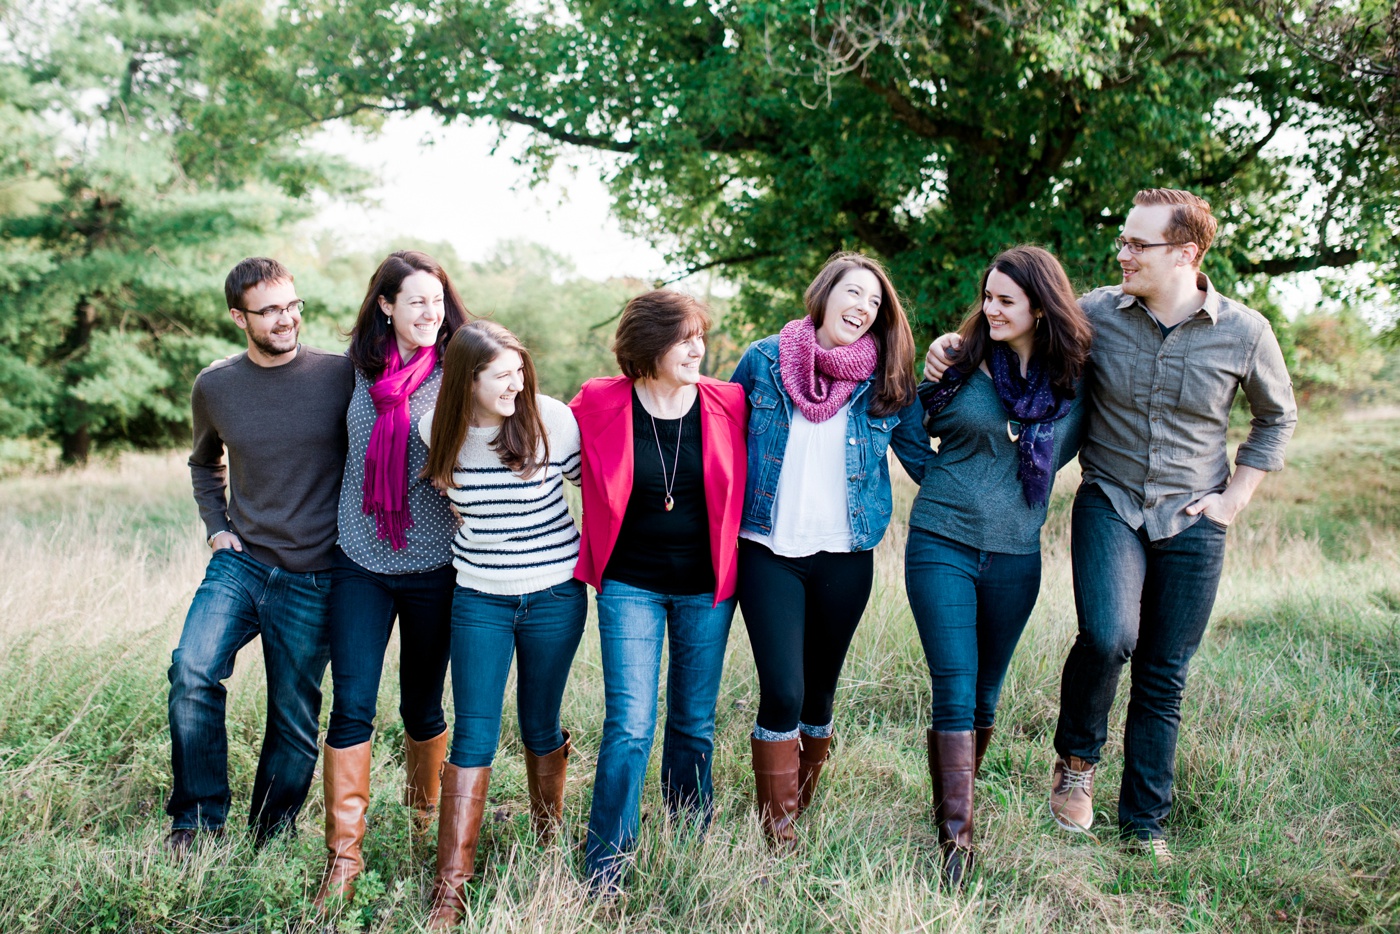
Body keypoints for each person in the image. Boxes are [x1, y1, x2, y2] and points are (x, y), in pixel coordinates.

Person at [925, 190, 1297, 862]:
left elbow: (1277, 418)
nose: (1121, 253)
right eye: (1122, 241)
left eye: (1137, 245)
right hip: (1112, 501)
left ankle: (1144, 824)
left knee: (1165, 670)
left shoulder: (1245, 332)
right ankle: (1076, 762)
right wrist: (953, 343)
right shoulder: (1097, 313)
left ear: (1185, 253)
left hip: (1194, 514)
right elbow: (1018, 326)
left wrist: (1234, 499)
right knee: (1107, 635)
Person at [905, 246, 1091, 886]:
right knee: (954, 684)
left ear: (1041, 307)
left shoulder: (1071, 379)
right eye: (987, 297)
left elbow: (1086, 440)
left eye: (1006, 300)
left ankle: (958, 798)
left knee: (987, 692)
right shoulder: (960, 358)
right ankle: (955, 845)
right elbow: (907, 411)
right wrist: (939, 481)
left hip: (1016, 554)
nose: (991, 309)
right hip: (941, 542)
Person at [729, 251, 928, 848]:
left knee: (820, 690)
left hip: (846, 557)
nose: (864, 308)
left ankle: (800, 798)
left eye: (875, 302)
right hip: (768, 550)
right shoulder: (764, 361)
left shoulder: (886, 380)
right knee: (783, 689)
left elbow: (924, 462)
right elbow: (718, 438)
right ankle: (779, 827)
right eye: (855, 293)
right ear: (825, 292)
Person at [167, 257, 353, 852]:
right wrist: (216, 526)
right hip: (241, 564)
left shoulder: (341, 376)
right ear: (239, 318)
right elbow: (203, 462)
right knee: (192, 671)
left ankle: (268, 838)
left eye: (292, 305)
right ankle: (197, 825)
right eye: (269, 310)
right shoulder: (214, 385)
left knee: (293, 720)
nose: (286, 319)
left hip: (316, 575)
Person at [571, 290, 748, 891]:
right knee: (630, 724)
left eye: (700, 334)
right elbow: (529, 425)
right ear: (649, 345)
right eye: (683, 337)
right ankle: (606, 865)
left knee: (694, 721)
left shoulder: (729, 402)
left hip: (707, 587)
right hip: (630, 585)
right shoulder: (600, 400)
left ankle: (687, 834)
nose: (697, 347)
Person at [418, 320, 586, 930]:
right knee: (474, 736)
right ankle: (450, 889)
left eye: (520, 370)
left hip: (553, 596)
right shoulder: (436, 426)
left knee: (540, 724)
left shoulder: (550, 419)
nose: (516, 383)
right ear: (468, 379)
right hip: (479, 599)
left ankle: (547, 843)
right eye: (501, 375)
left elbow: (595, 487)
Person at [315, 251, 470, 908]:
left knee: (421, 707)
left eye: (436, 300)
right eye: (415, 302)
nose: (429, 313)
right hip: (360, 561)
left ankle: (419, 825)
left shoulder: (461, 371)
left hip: (436, 566)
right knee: (351, 704)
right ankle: (342, 861)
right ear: (385, 306)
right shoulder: (351, 373)